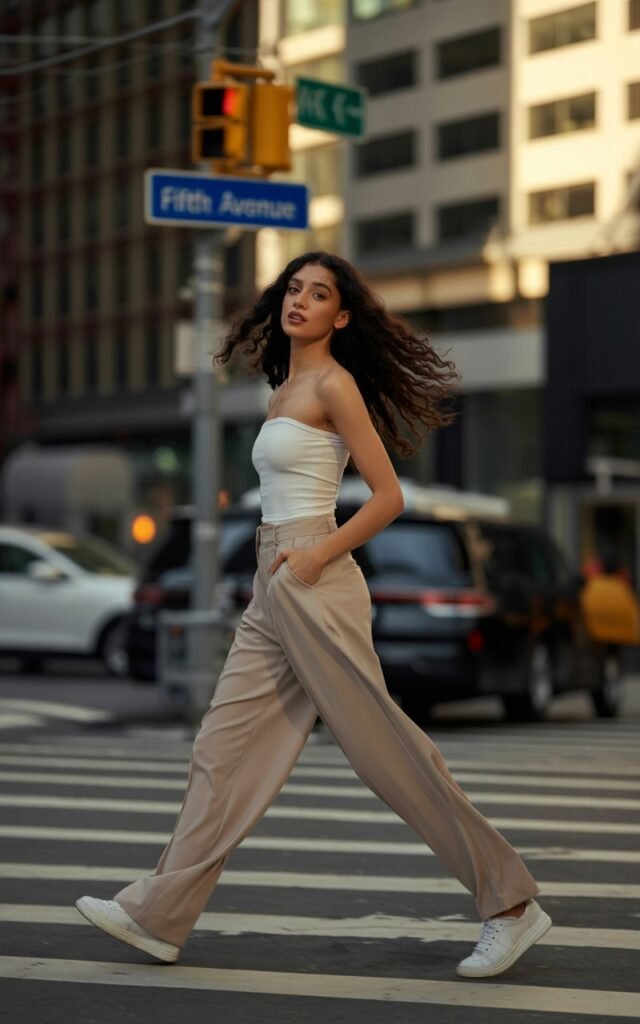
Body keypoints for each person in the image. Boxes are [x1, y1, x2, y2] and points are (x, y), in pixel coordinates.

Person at [76, 251, 551, 978]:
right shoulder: (283, 389)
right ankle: (158, 915)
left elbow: (390, 498)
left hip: (314, 578)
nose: (300, 300)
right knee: (221, 750)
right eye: (293, 288)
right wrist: (277, 565)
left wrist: (315, 555)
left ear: (342, 314)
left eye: (319, 293)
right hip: (277, 582)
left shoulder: (334, 384)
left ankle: (511, 905)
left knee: (387, 752)